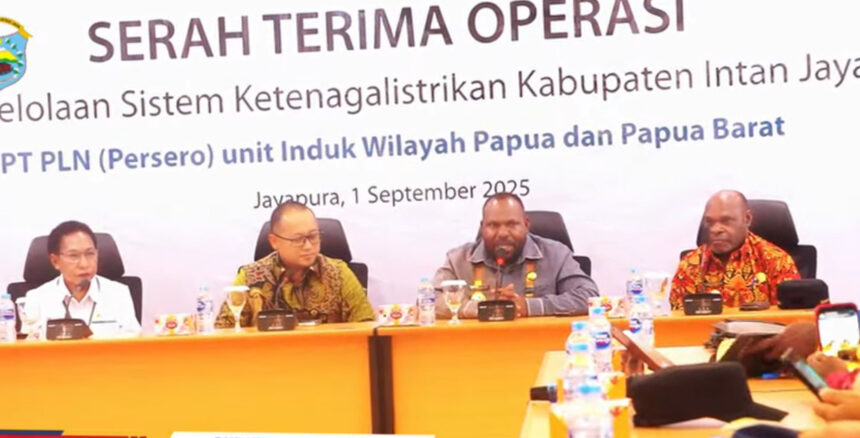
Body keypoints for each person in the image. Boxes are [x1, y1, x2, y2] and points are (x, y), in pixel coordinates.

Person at [433, 193, 599, 319]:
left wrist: (528, 306)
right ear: (483, 227)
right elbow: (429, 301)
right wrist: (481, 309)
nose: (503, 233)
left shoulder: (556, 254)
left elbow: (590, 296)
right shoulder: (458, 259)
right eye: (493, 225)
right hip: (475, 346)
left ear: (526, 225)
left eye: (512, 224)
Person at [215, 202, 374, 327]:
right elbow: (224, 332)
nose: (308, 246)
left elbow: (366, 326)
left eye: (313, 236)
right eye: (298, 239)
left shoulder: (338, 273)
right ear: (274, 241)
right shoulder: (250, 278)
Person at [670, 190, 800, 309]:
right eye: (710, 222)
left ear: (747, 219)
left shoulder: (777, 261)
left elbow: (792, 317)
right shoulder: (690, 266)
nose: (715, 229)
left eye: (726, 221)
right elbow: (677, 319)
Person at [24, 221, 141, 337]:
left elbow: (134, 343)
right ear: (55, 261)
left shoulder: (118, 294)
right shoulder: (37, 299)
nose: (84, 264)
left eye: (90, 254)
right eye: (73, 256)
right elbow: (27, 344)